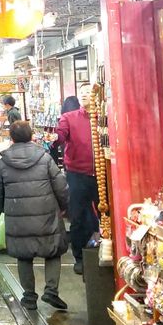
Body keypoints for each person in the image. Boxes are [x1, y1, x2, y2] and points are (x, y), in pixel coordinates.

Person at [0, 121, 69, 311]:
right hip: (46, 213)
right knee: (52, 250)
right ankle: (51, 290)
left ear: (11, 138)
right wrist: (63, 207)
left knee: (23, 254)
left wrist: (6, 208)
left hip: (17, 214)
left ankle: (29, 296)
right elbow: (61, 186)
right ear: (31, 136)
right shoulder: (44, 158)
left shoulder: (3, 162)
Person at [55, 85, 98, 274]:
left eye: (90, 92)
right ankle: (80, 257)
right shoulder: (69, 118)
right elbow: (60, 135)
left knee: (107, 214)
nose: (86, 96)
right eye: (83, 93)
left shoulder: (104, 117)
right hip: (77, 174)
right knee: (78, 216)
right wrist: (54, 137)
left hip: (102, 174)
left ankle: (106, 251)